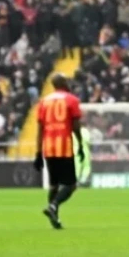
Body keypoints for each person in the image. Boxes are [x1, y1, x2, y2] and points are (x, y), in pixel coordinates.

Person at [33, 74, 85, 229]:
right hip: (64, 147)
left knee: (54, 186)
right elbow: (75, 126)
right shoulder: (72, 100)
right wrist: (80, 144)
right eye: (67, 81)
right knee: (71, 185)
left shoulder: (44, 102)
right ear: (62, 83)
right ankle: (53, 206)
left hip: (49, 148)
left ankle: (54, 216)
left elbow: (40, 129)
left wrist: (38, 153)